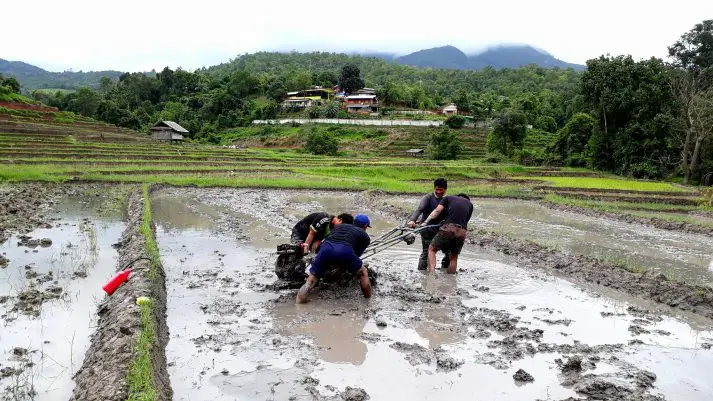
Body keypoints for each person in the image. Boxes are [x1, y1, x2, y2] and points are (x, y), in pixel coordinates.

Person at [296, 214, 372, 304]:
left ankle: (299, 303)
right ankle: (368, 300)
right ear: (365, 226)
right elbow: (356, 254)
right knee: (363, 272)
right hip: (345, 250)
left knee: (311, 279)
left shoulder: (339, 226)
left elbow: (330, 238)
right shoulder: (365, 236)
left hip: (325, 249)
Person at [421, 194, 474, 274]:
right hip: (461, 232)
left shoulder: (448, 198)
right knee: (453, 257)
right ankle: (451, 279)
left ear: (458, 197)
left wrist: (425, 222)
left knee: (432, 249)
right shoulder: (470, 205)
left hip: (448, 228)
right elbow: (465, 221)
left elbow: (437, 211)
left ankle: (432, 273)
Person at [407, 178, 449, 270]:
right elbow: (420, 209)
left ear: (445, 190)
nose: (438, 192)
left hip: (442, 229)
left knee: (448, 252)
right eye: (436, 189)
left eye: (441, 190)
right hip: (427, 229)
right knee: (426, 251)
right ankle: (422, 272)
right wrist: (412, 220)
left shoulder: (447, 199)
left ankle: (445, 270)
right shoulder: (428, 198)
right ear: (434, 188)